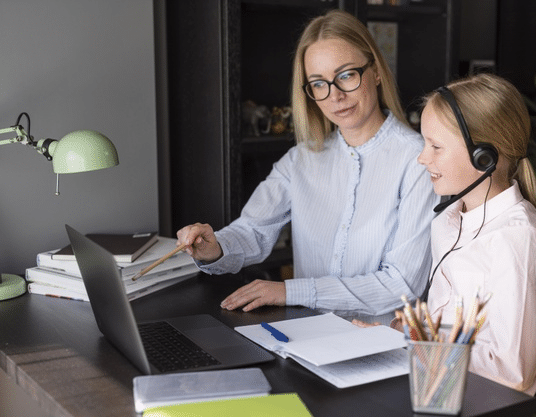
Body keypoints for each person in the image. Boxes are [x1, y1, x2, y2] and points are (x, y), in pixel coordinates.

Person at [176, 10, 438, 321]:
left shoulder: (419, 160)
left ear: (377, 71)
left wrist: (291, 291)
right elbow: (253, 231)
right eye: (318, 83)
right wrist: (215, 248)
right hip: (304, 339)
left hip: (379, 347)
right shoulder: (300, 160)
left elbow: (401, 285)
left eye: (346, 75)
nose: (336, 96)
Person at [415, 73, 536, 395]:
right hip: (440, 387)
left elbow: (511, 372)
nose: (422, 158)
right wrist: (407, 333)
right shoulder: (449, 221)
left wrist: (413, 348)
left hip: (481, 399)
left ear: (483, 157)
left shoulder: (518, 241)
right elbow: (444, 329)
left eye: (435, 146)